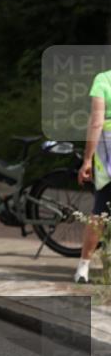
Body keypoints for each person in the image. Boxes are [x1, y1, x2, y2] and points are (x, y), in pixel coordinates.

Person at [75, 67, 111, 283]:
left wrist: (87, 160)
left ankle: (83, 267)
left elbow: (96, 122)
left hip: (108, 147)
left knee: (99, 210)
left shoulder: (103, 79)